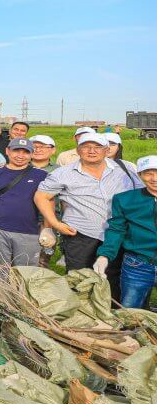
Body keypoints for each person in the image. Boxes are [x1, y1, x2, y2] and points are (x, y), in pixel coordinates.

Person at [37, 132, 141, 301]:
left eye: (97, 147)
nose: (91, 151)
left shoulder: (124, 170)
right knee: (79, 279)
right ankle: (82, 319)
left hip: (119, 236)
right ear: (78, 150)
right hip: (80, 236)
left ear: (107, 150)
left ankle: (111, 317)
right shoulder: (63, 173)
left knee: (114, 279)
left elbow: (141, 194)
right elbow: (42, 196)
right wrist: (55, 224)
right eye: (86, 147)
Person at [93, 156, 157, 308]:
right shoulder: (125, 199)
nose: (154, 178)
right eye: (148, 173)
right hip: (137, 263)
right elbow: (116, 229)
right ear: (140, 175)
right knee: (129, 309)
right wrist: (104, 255)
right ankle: (130, 332)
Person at [0, 138, 48, 273]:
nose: (20, 156)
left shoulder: (42, 175)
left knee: (26, 272)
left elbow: (48, 202)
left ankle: (21, 294)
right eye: (16, 151)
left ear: (32, 154)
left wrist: (47, 228)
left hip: (29, 231)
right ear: (7, 151)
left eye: (26, 152)